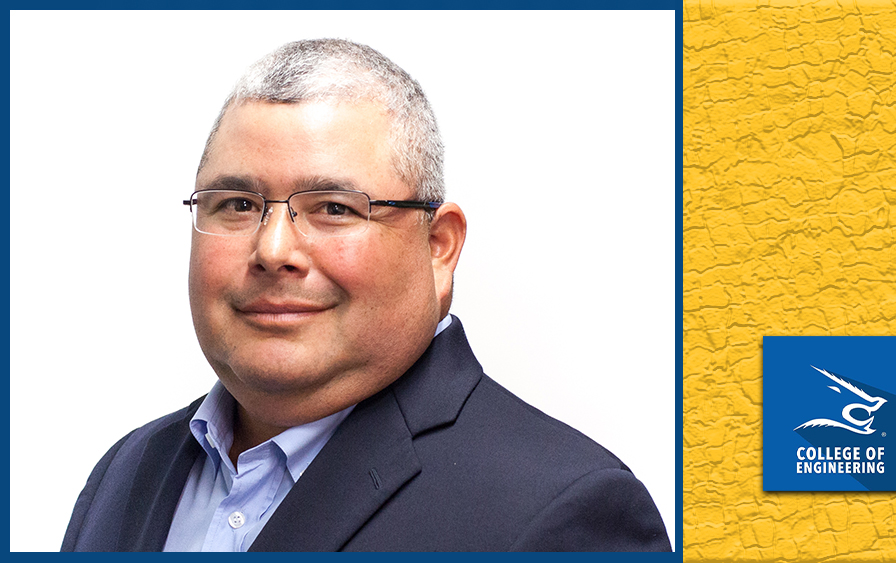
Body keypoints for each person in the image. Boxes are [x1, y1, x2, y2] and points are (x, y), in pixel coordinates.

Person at [60, 38, 671, 552]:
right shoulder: (126, 473)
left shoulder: (562, 511)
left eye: (332, 208)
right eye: (238, 205)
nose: (274, 250)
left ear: (439, 247)